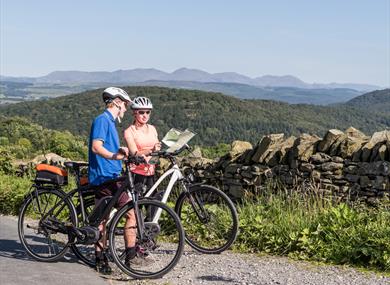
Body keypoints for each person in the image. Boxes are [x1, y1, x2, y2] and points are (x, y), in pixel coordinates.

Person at [88, 87, 136, 274]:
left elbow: (109, 147)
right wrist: (117, 156)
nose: (125, 108)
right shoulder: (102, 120)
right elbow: (96, 147)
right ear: (116, 102)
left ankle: (130, 258)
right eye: (124, 104)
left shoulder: (110, 122)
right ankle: (101, 259)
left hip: (113, 176)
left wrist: (122, 150)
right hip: (104, 177)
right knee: (104, 219)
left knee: (129, 212)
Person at [124, 97, 161, 192]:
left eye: (148, 112)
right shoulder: (129, 131)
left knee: (153, 205)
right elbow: (134, 153)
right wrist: (151, 150)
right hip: (137, 174)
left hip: (151, 173)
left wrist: (156, 153)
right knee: (138, 205)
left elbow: (157, 152)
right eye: (141, 112)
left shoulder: (153, 128)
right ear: (135, 113)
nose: (145, 115)